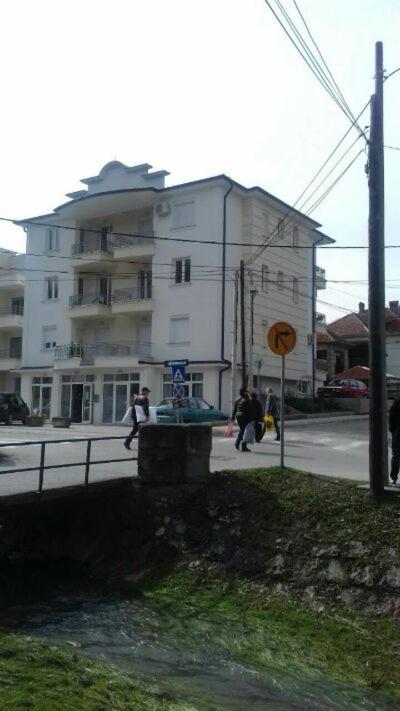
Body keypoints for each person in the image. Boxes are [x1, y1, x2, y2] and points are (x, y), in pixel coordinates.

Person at [231, 387, 253, 452]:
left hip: (238, 417)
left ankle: (242, 445)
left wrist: (232, 418)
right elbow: (249, 409)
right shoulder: (247, 399)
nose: (248, 392)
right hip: (244, 417)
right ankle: (239, 444)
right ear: (245, 392)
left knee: (243, 431)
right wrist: (251, 418)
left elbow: (234, 409)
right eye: (247, 391)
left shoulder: (237, 399)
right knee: (244, 431)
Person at [389, 398, 400, 485]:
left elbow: (391, 420)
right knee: (396, 457)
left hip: (397, 434)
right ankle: (393, 477)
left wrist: (394, 431)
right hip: (397, 434)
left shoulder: (396, 403)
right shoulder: (396, 404)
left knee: (396, 457)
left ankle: (393, 478)